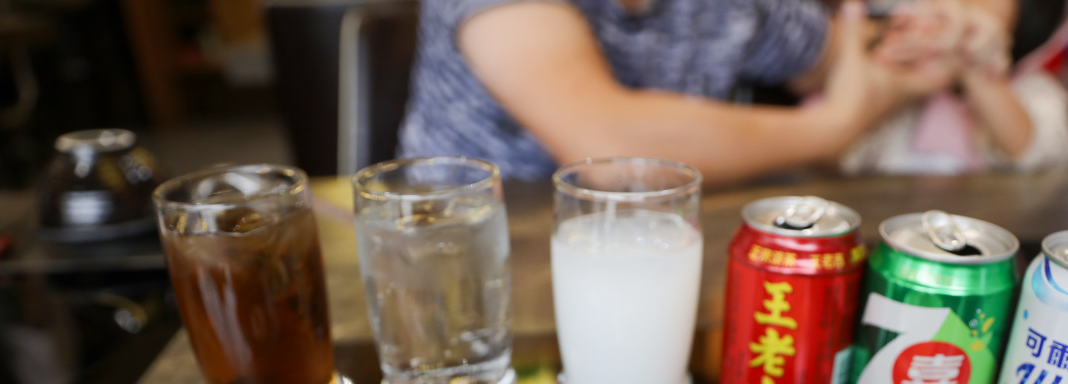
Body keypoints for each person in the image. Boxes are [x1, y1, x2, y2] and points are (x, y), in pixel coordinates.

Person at [399, 0, 956, 182]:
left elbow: (838, 57)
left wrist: (940, 37)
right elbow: (607, 147)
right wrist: (833, 127)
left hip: (652, 253)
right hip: (462, 267)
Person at [839, 0, 1068, 173]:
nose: (962, 8)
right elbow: (841, 145)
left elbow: (1035, 156)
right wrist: (906, 81)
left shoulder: (1033, 90)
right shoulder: (890, 58)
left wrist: (975, 65)